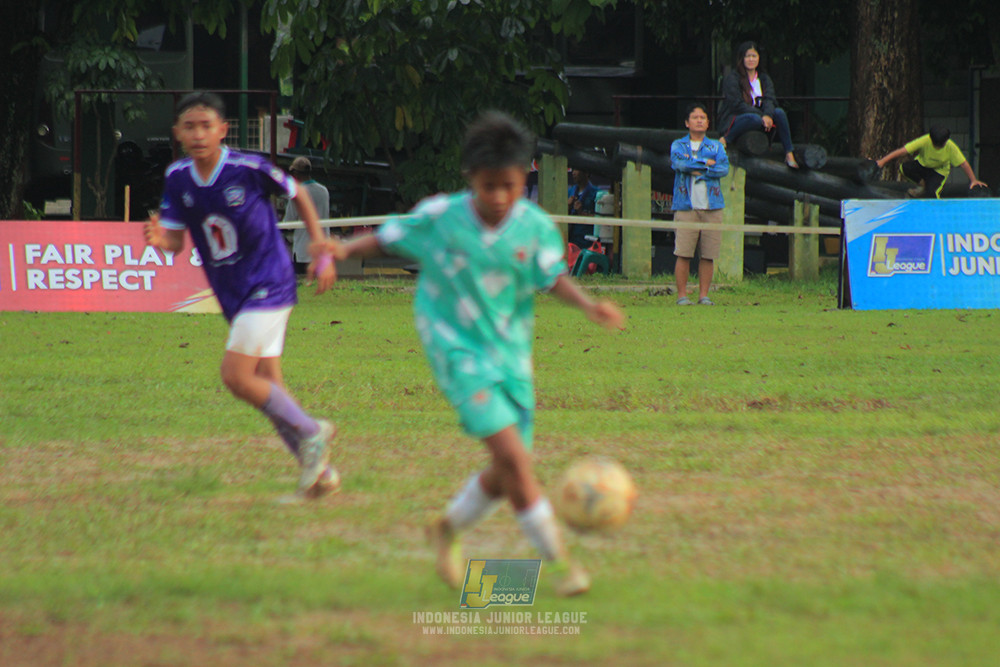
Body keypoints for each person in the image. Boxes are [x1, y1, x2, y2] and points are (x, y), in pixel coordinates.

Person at [327, 111, 625, 596]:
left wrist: (590, 306)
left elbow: (552, 277)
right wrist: (340, 250)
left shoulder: (534, 226)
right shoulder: (441, 217)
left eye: (510, 186)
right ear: (471, 178)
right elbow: (386, 238)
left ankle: (446, 529)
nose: (500, 197)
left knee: (508, 470)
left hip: (511, 356)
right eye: (489, 187)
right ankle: (562, 566)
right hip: (455, 350)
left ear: (523, 178)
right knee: (516, 461)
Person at [143, 91, 339, 503]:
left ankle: (312, 431)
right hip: (233, 292)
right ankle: (319, 473)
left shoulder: (247, 168)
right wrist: (160, 239)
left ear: (223, 130)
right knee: (269, 386)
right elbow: (176, 242)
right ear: (178, 133)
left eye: (206, 126)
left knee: (235, 376)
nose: (198, 134)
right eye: (190, 127)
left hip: (269, 281)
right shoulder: (178, 178)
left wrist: (320, 249)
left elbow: (299, 194)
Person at [670, 102, 730, 306]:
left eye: (702, 118)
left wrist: (696, 168)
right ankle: (682, 296)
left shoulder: (716, 146)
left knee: (708, 255)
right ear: (687, 123)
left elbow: (723, 169)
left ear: (708, 122)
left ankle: (704, 295)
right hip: (686, 206)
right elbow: (679, 164)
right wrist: (706, 163)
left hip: (712, 207)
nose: (699, 121)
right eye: (695, 118)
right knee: (683, 253)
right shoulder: (679, 145)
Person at [717, 41, 799, 168]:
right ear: (742, 58)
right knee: (754, 118)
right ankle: (726, 139)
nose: (751, 59)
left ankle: (789, 153)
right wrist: (762, 116)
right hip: (739, 118)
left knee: (779, 113)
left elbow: (770, 99)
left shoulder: (764, 78)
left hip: (760, 119)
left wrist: (768, 115)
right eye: (747, 56)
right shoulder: (733, 78)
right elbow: (736, 104)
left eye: (754, 56)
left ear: (759, 58)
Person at [875, 125, 988, 198]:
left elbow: (964, 164)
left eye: (940, 146)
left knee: (932, 194)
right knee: (903, 168)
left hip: (938, 172)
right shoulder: (925, 140)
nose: (938, 148)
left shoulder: (950, 146)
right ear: (931, 139)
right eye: (935, 145)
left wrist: (973, 180)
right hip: (922, 165)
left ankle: (933, 214)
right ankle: (922, 185)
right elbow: (903, 151)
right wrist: (882, 161)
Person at [284, 157, 331, 274]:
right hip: (322, 250)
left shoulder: (297, 193)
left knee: (302, 283)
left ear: (295, 174)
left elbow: (288, 223)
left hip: (303, 251)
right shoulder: (324, 191)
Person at [567, 169, 598, 249]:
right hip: (571, 242)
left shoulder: (596, 193)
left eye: (576, 169)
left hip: (588, 242)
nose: (573, 173)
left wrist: (581, 213)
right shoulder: (570, 192)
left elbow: (601, 219)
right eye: (572, 169)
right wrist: (568, 207)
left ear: (586, 172)